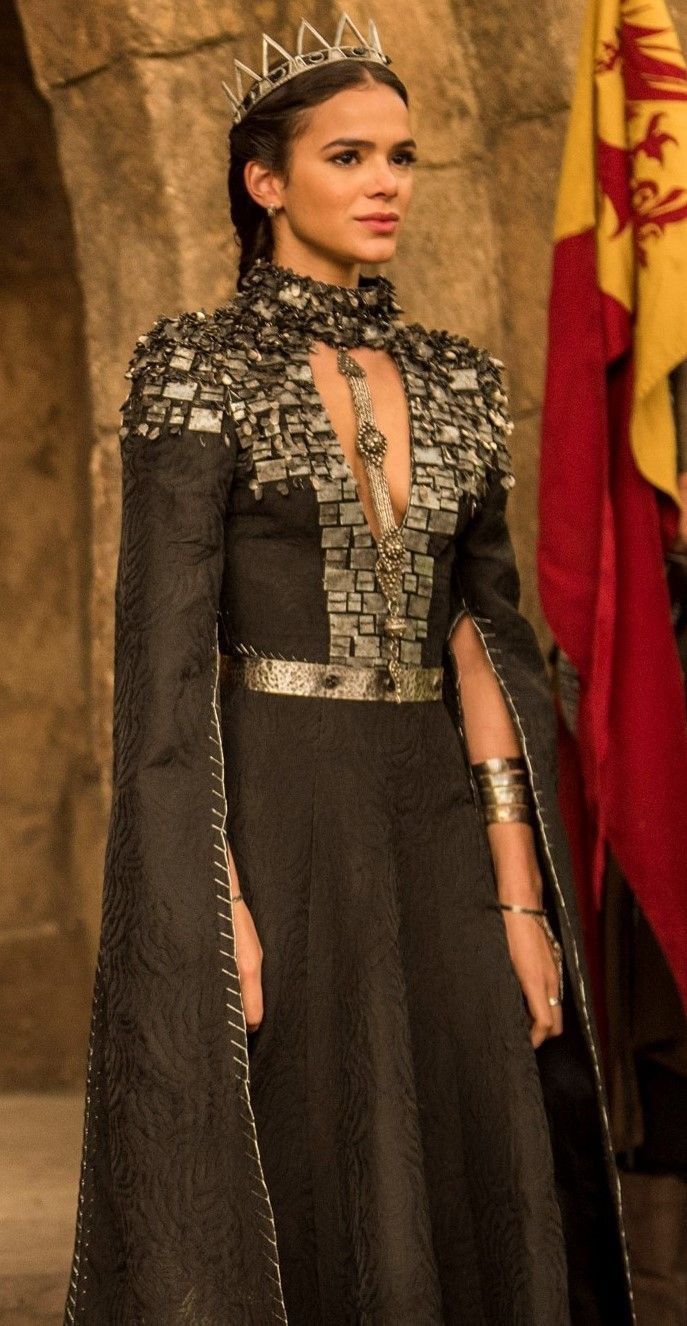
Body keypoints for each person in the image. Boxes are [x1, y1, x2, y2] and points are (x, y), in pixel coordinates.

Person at [63, 14, 635, 1325]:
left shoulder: (461, 382)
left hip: (433, 812)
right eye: (349, 155)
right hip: (279, 805)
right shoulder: (194, 369)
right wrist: (210, 898)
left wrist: (519, 898)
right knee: (309, 1141)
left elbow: (480, 639)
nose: (386, 184)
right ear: (265, 180)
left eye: (402, 156)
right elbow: (163, 662)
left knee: (472, 1120)